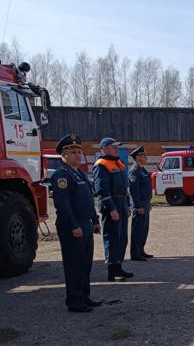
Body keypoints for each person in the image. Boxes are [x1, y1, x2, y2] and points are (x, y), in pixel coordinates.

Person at [51, 134, 101, 313]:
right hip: (73, 226)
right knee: (74, 264)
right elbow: (63, 204)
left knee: (85, 264)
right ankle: (74, 300)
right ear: (63, 155)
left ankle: (84, 296)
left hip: (85, 224)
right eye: (73, 152)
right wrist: (73, 226)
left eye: (79, 152)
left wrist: (95, 220)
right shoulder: (61, 175)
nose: (77, 155)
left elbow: (88, 199)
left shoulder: (79, 173)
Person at [93, 137, 134, 282]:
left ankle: (119, 265)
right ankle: (111, 270)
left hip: (121, 202)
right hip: (112, 205)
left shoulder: (117, 163)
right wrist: (111, 208)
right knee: (112, 238)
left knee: (122, 237)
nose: (116, 149)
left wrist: (127, 204)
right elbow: (102, 190)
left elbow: (125, 186)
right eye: (113, 147)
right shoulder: (101, 165)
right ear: (104, 148)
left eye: (117, 147)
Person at [128, 146, 154, 262]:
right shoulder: (134, 171)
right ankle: (135, 253)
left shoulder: (142, 170)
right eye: (143, 155)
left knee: (144, 229)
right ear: (137, 157)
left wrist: (148, 203)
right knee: (137, 229)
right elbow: (134, 191)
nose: (146, 157)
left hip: (145, 203)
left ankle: (141, 250)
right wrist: (138, 206)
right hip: (139, 205)